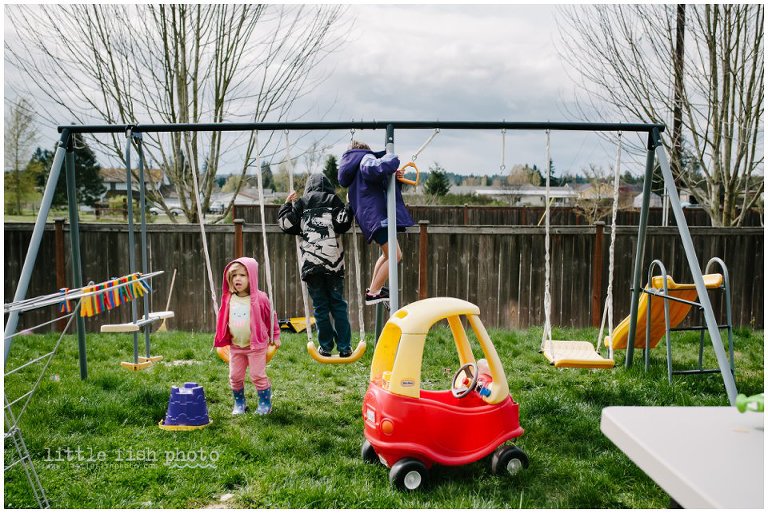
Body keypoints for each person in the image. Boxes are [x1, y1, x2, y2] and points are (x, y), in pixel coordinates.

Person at [277, 174, 354, 358]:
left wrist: (286, 205)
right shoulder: (333, 200)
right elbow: (343, 223)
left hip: (311, 265)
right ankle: (344, 347)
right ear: (328, 187)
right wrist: (349, 205)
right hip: (333, 264)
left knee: (320, 307)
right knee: (338, 304)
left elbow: (285, 224)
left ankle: (326, 346)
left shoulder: (301, 203)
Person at [338, 141, 414, 305]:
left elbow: (377, 184)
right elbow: (373, 168)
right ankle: (373, 292)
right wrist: (391, 158)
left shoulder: (355, 168)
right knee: (396, 255)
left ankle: (373, 289)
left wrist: (395, 178)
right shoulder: (364, 158)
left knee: (388, 255)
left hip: (370, 216)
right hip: (376, 215)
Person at [214, 257, 281, 415]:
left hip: (256, 345)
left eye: (243, 275)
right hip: (236, 346)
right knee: (235, 376)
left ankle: (265, 403)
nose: (238, 278)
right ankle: (240, 403)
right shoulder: (229, 298)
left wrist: (276, 335)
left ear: (252, 277)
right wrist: (222, 336)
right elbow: (223, 318)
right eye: (234, 275)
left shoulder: (260, 298)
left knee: (257, 375)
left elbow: (271, 317)